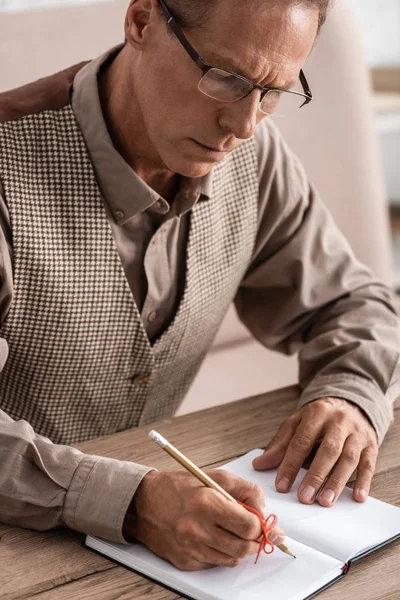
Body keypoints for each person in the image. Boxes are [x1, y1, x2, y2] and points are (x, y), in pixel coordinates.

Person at [0, 0, 399, 572]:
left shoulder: (253, 157)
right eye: (227, 79)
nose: (244, 126)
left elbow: (353, 302)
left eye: (274, 91)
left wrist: (351, 395)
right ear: (141, 22)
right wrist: (132, 503)